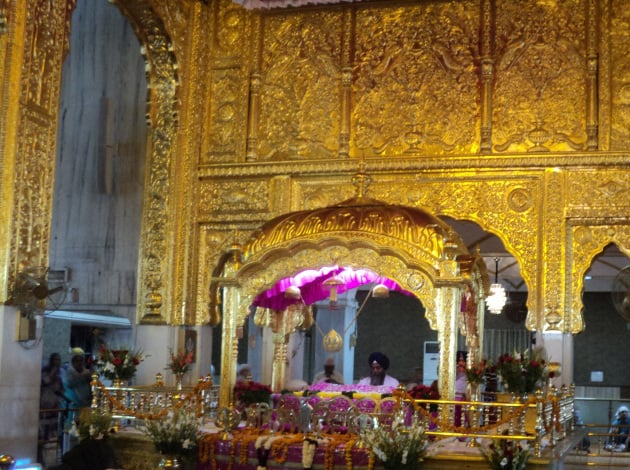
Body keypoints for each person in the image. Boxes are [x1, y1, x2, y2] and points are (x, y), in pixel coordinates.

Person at [40, 352, 65, 440]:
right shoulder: (45, 370)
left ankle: (51, 439)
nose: (57, 361)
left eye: (59, 360)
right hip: (46, 398)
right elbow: (46, 381)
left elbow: (62, 385)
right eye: (55, 359)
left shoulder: (61, 371)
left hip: (56, 399)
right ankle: (44, 439)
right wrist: (53, 373)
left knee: (53, 424)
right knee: (45, 424)